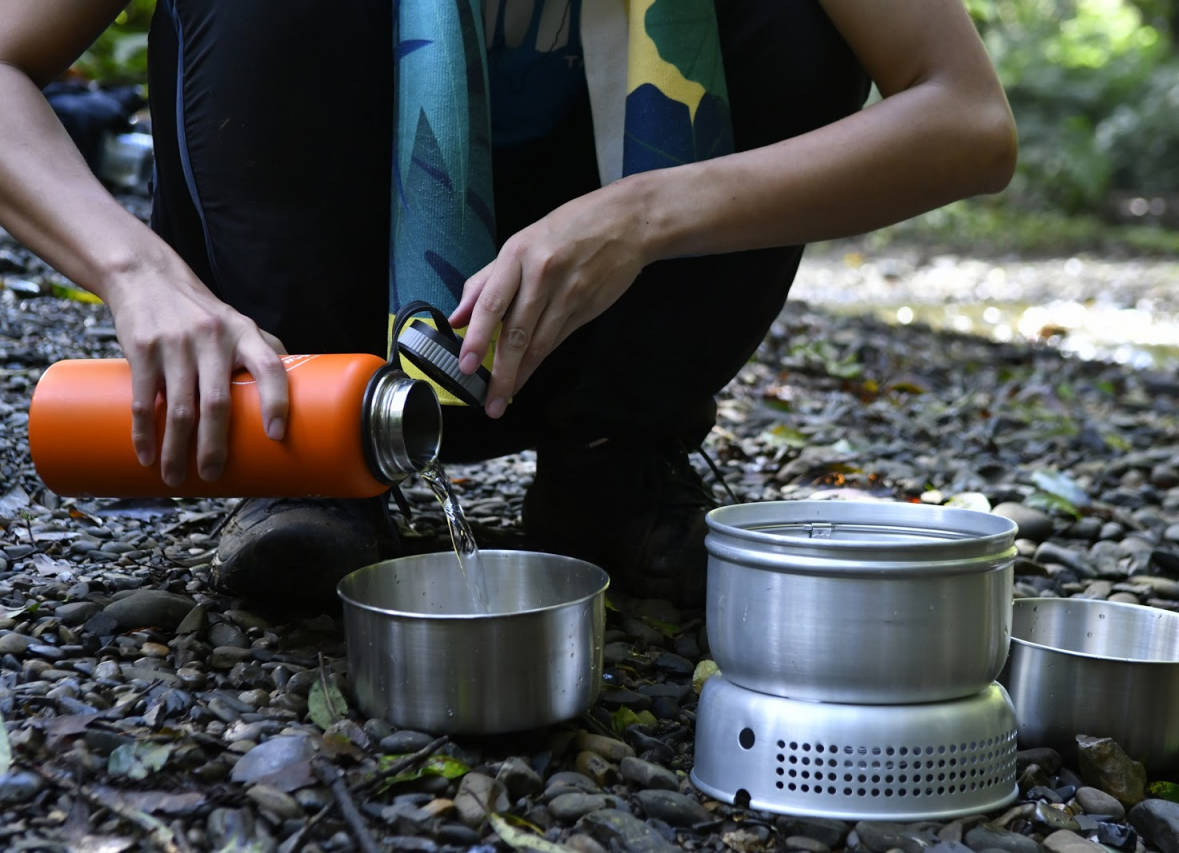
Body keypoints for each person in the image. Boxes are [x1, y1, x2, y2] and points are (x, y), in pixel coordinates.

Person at [0, 0, 1017, 611]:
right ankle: (309, 475)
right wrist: (135, 271)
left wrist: (645, 212)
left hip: (589, 322)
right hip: (313, 358)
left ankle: (617, 462)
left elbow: (965, 117)